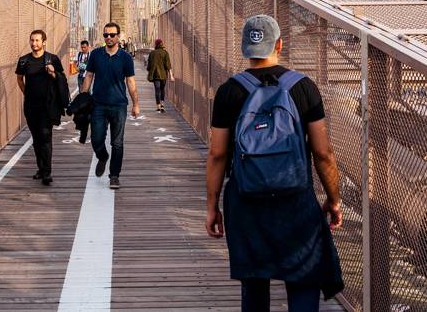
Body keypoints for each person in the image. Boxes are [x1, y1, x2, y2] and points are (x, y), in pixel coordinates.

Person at [205, 15, 343, 312]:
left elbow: (217, 154)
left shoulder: (229, 91)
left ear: (245, 49)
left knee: (254, 283)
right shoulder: (304, 88)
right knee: (304, 278)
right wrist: (333, 199)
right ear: (279, 44)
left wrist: (211, 206)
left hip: (246, 202)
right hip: (295, 201)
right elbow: (323, 153)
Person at [80, 22, 139, 189]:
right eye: (106, 35)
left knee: (117, 143)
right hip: (98, 104)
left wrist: (136, 104)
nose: (108, 38)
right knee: (97, 139)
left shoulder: (126, 58)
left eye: (112, 35)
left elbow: (131, 82)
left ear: (118, 36)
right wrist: (84, 99)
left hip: (119, 105)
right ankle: (103, 156)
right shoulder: (96, 54)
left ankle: (114, 176)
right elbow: (89, 76)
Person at [15, 29, 67, 186]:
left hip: (47, 106)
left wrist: (52, 74)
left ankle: (47, 172)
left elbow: (62, 80)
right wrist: (27, 94)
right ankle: (41, 168)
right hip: (31, 106)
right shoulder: (24, 61)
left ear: (44, 42)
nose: (34, 43)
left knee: (45, 136)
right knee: (36, 139)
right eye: (32, 40)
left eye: (37, 40)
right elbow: (19, 79)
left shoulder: (52, 59)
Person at [146, 38, 173, 112]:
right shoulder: (165, 53)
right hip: (163, 75)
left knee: (157, 90)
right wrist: (171, 75)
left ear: (156, 44)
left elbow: (149, 66)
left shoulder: (152, 53)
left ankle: (158, 106)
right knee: (162, 89)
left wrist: (149, 71)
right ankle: (162, 104)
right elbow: (168, 65)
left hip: (155, 75)